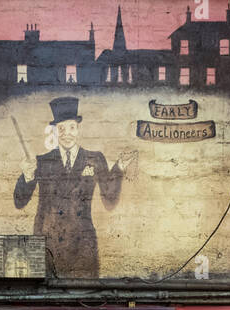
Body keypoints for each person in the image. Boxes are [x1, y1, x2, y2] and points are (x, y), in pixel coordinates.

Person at [13, 96, 137, 277]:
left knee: (86, 299)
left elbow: (109, 197)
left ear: (78, 129)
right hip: (49, 245)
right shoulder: (43, 161)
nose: (66, 133)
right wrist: (27, 175)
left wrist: (120, 167)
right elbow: (19, 201)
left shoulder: (95, 159)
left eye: (71, 127)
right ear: (55, 131)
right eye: (61, 128)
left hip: (83, 247)